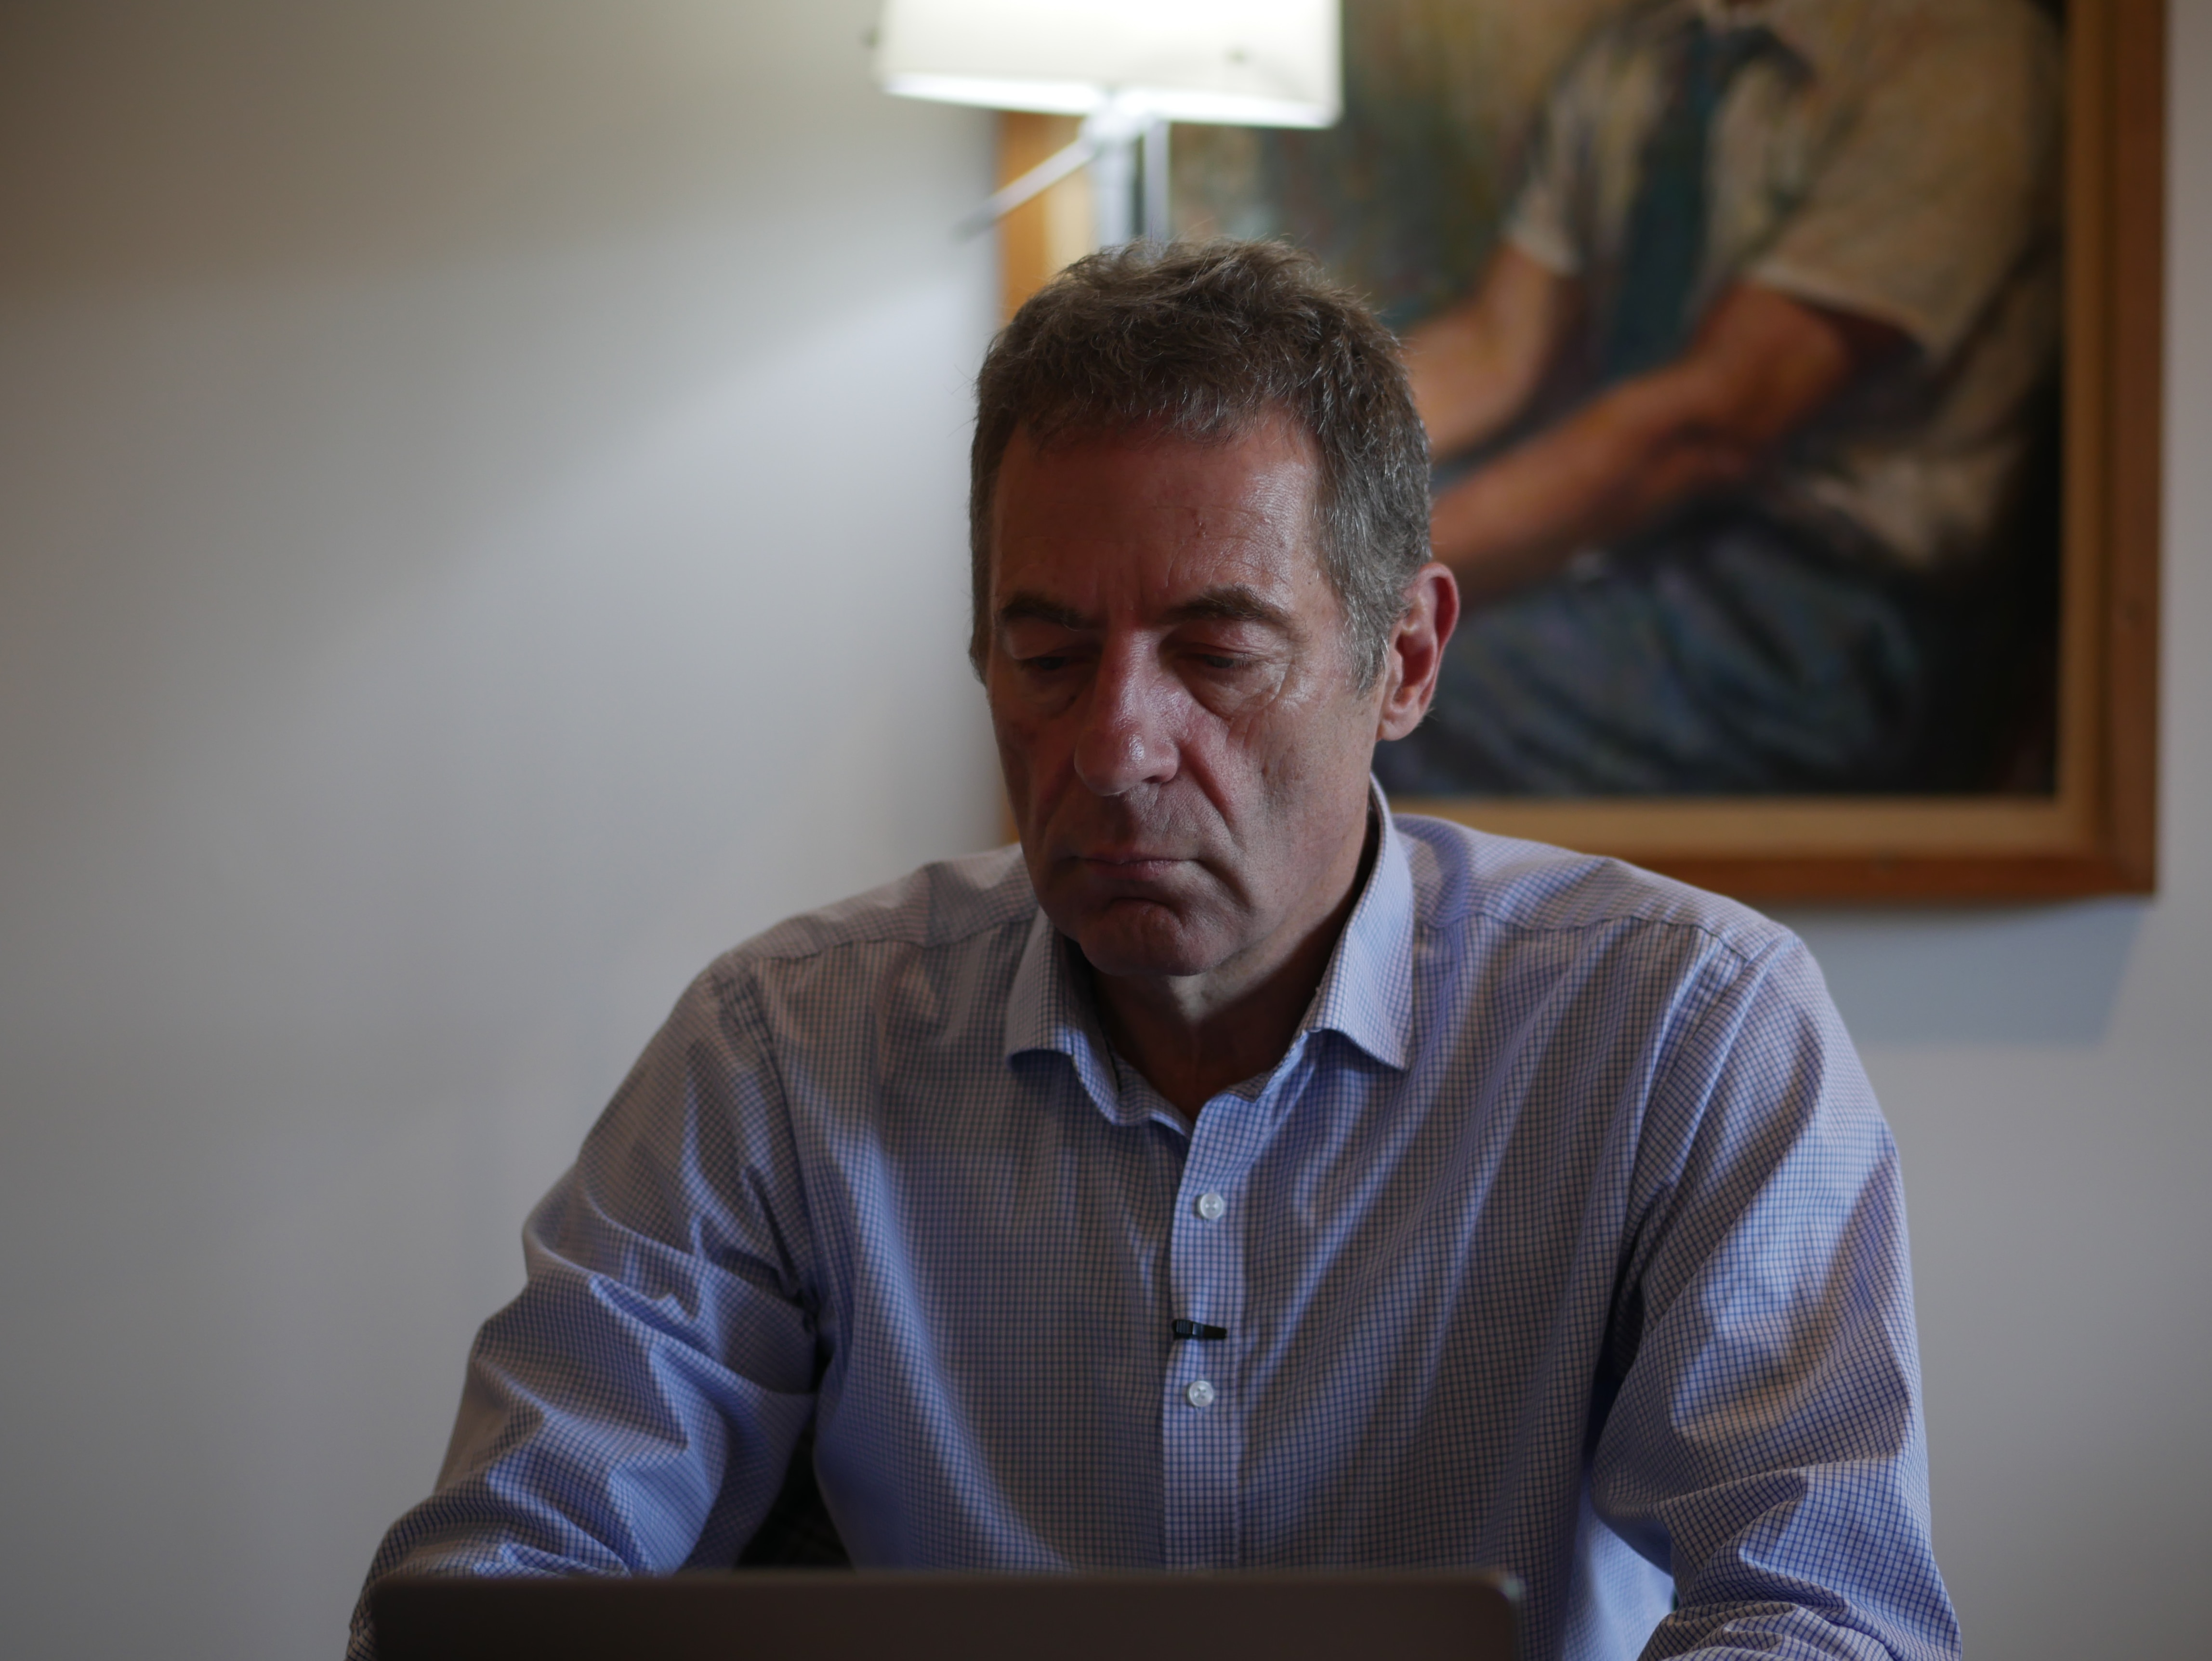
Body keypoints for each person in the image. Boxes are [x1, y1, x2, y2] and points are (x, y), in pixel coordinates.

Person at [350, 241, 1957, 1661]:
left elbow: (1824, 1609)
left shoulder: (1685, 1030)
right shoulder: (786, 1049)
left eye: (1216, 648)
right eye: (1047, 652)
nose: (1113, 742)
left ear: (1403, 657)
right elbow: (504, 1581)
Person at [1373, 0, 2061, 795]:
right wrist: (1279, 449)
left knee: (1382, 703)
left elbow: (1707, 426)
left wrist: (1347, 577)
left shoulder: (1963, 57)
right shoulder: (1645, 56)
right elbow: (1494, 345)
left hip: (1830, 611)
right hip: (1647, 547)